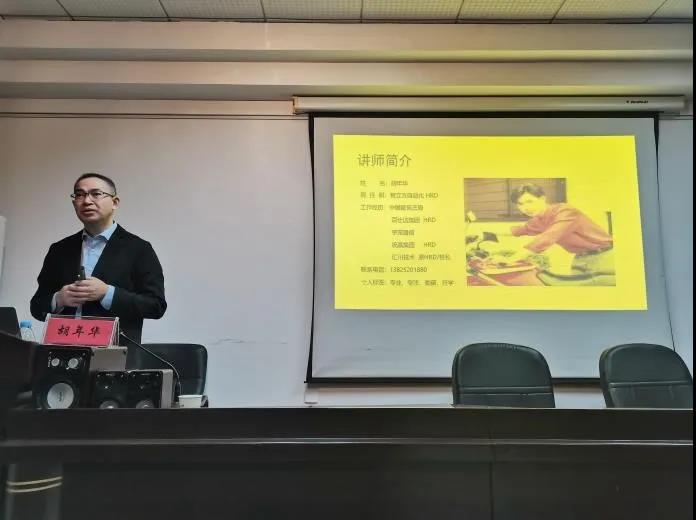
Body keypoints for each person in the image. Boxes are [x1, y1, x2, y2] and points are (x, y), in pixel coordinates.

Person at [30, 173, 166, 344]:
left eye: (96, 194)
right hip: (61, 350)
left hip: (114, 354)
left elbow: (156, 306)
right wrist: (58, 299)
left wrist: (107, 293)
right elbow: (36, 306)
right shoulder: (59, 249)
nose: (87, 201)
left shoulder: (139, 249)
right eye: (79, 195)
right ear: (74, 203)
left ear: (115, 202)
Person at [508, 183, 615, 284]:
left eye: (529, 201)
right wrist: (496, 234)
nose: (525, 208)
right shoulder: (538, 220)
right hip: (579, 260)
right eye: (520, 204)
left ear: (542, 199)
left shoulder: (565, 211)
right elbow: (519, 230)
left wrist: (514, 257)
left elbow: (549, 236)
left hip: (604, 257)